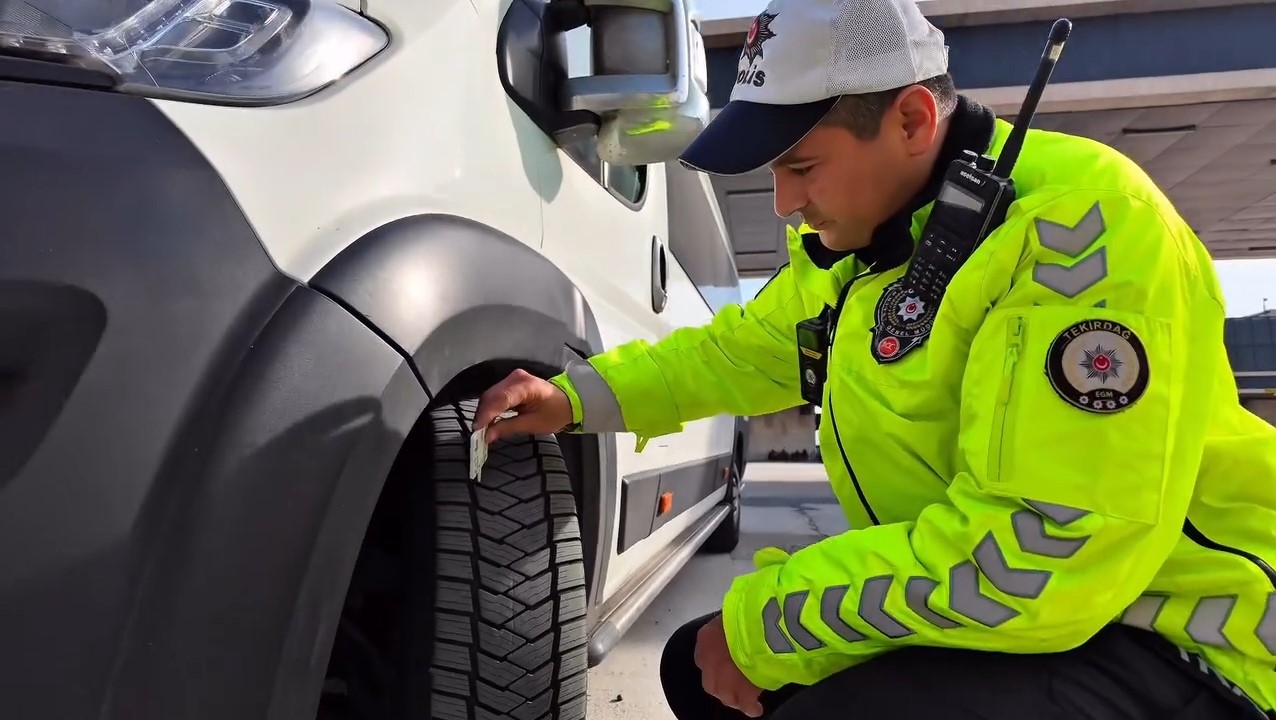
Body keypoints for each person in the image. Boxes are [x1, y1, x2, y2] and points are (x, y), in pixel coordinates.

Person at [474, 0, 1276, 716]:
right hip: (1048, 619)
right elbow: (735, 354)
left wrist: (762, 626)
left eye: (803, 165)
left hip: (1182, 641)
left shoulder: (1081, 235)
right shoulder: (862, 255)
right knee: (697, 668)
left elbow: (1038, 555)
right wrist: (575, 397)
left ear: (914, 122)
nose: (784, 203)